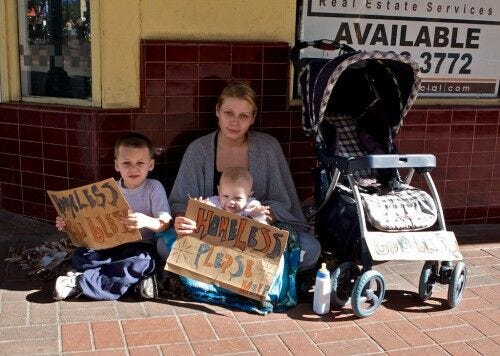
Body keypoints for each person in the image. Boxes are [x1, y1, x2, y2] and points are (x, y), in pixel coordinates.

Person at [156, 82, 320, 313]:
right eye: (228, 113)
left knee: (310, 249)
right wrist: (184, 218)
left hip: (254, 237)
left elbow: (284, 201)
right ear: (217, 112)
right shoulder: (199, 149)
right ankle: (245, 279)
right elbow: (181, 202)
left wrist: (265, 214)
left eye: (243, 115)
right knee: (165, 245)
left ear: (253, 118)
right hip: (211, 237)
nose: (235, 122)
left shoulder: (268, 148)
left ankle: (219, 278)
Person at [53, 133, 172, 301]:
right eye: (126, 163)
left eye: (140, 163)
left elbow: (165, 223)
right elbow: (90, 224)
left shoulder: (154, 188)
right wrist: (69, 225)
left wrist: (146, 221)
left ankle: (79, 283)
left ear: (150, 165)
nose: (133, 169)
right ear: (117, 165)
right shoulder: (108, 190)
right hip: (108, 245)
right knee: (83, 255)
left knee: (142, 262)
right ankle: (134, 281)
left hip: (140, 246)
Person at [203, 166, 268, 224]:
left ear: (249, 196)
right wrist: (201, 205)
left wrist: (257, 215)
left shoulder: (250, 206)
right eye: (226, 196)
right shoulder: (216, 202)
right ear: (219, 190)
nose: (231, 202)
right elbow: (206, 205)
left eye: (237, 198)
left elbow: (263, 225)